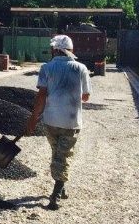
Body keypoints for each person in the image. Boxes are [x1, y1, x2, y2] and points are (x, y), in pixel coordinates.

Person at [25, 35, 91, 211]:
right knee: (63, 156)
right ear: (71, 50)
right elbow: (85, 96)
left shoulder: (47, 67)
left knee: (57, 153)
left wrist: (32, 118)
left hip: (51, 121)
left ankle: (61, 188)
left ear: (55, 50)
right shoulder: (81, 68)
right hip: (71, 121)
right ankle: (55, 196)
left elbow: (41, 95)